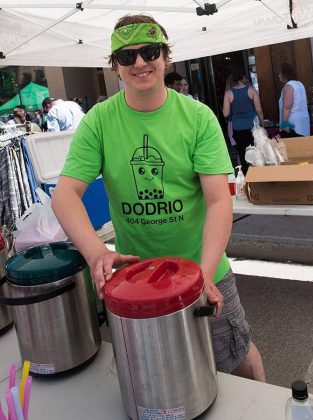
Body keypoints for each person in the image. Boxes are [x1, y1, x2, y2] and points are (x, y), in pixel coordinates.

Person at [51, 14, 265, 382]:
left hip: (204, 267)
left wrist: (204, 271)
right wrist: (97, 252)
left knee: (235, 354)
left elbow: (218, 199)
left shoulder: (197, 117)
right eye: (126, 56)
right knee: (163, 372)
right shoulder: (99, 121)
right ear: (115, 65)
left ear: (165, 56)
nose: (139, 63)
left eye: (149, 52)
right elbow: (65, 194)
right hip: (139, 278)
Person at [223, 68, 264, 175]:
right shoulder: (252, 90)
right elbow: (259, 110)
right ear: (243, 77)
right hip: (252, 127)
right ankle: (258, 175)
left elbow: (225, 113)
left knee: (242, 154)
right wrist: (262, 124)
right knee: (256, 152)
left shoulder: (228, 93)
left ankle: (248, 177)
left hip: (238, 128)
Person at [278, 63, 310, 136]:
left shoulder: (288, 86)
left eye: (279, 73)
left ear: (284, 74)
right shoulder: (300, 84)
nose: (278, 76)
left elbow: (287, 106)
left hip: (292, 126)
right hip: (303, 124)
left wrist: (284, 123)